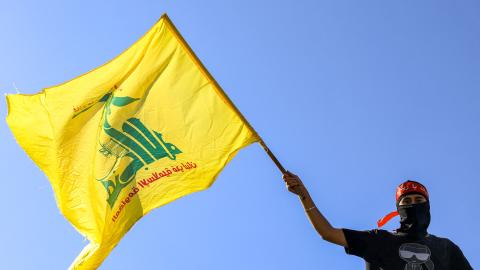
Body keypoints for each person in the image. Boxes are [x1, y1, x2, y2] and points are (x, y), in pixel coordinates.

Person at [282, 171, 473, 270]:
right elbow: (327, 232)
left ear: (427, 206)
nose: (413, 204)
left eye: (418, 200)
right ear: (398, 209)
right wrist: (304, 195)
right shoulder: (381, 240)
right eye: (406, 201)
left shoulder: (446, 248)